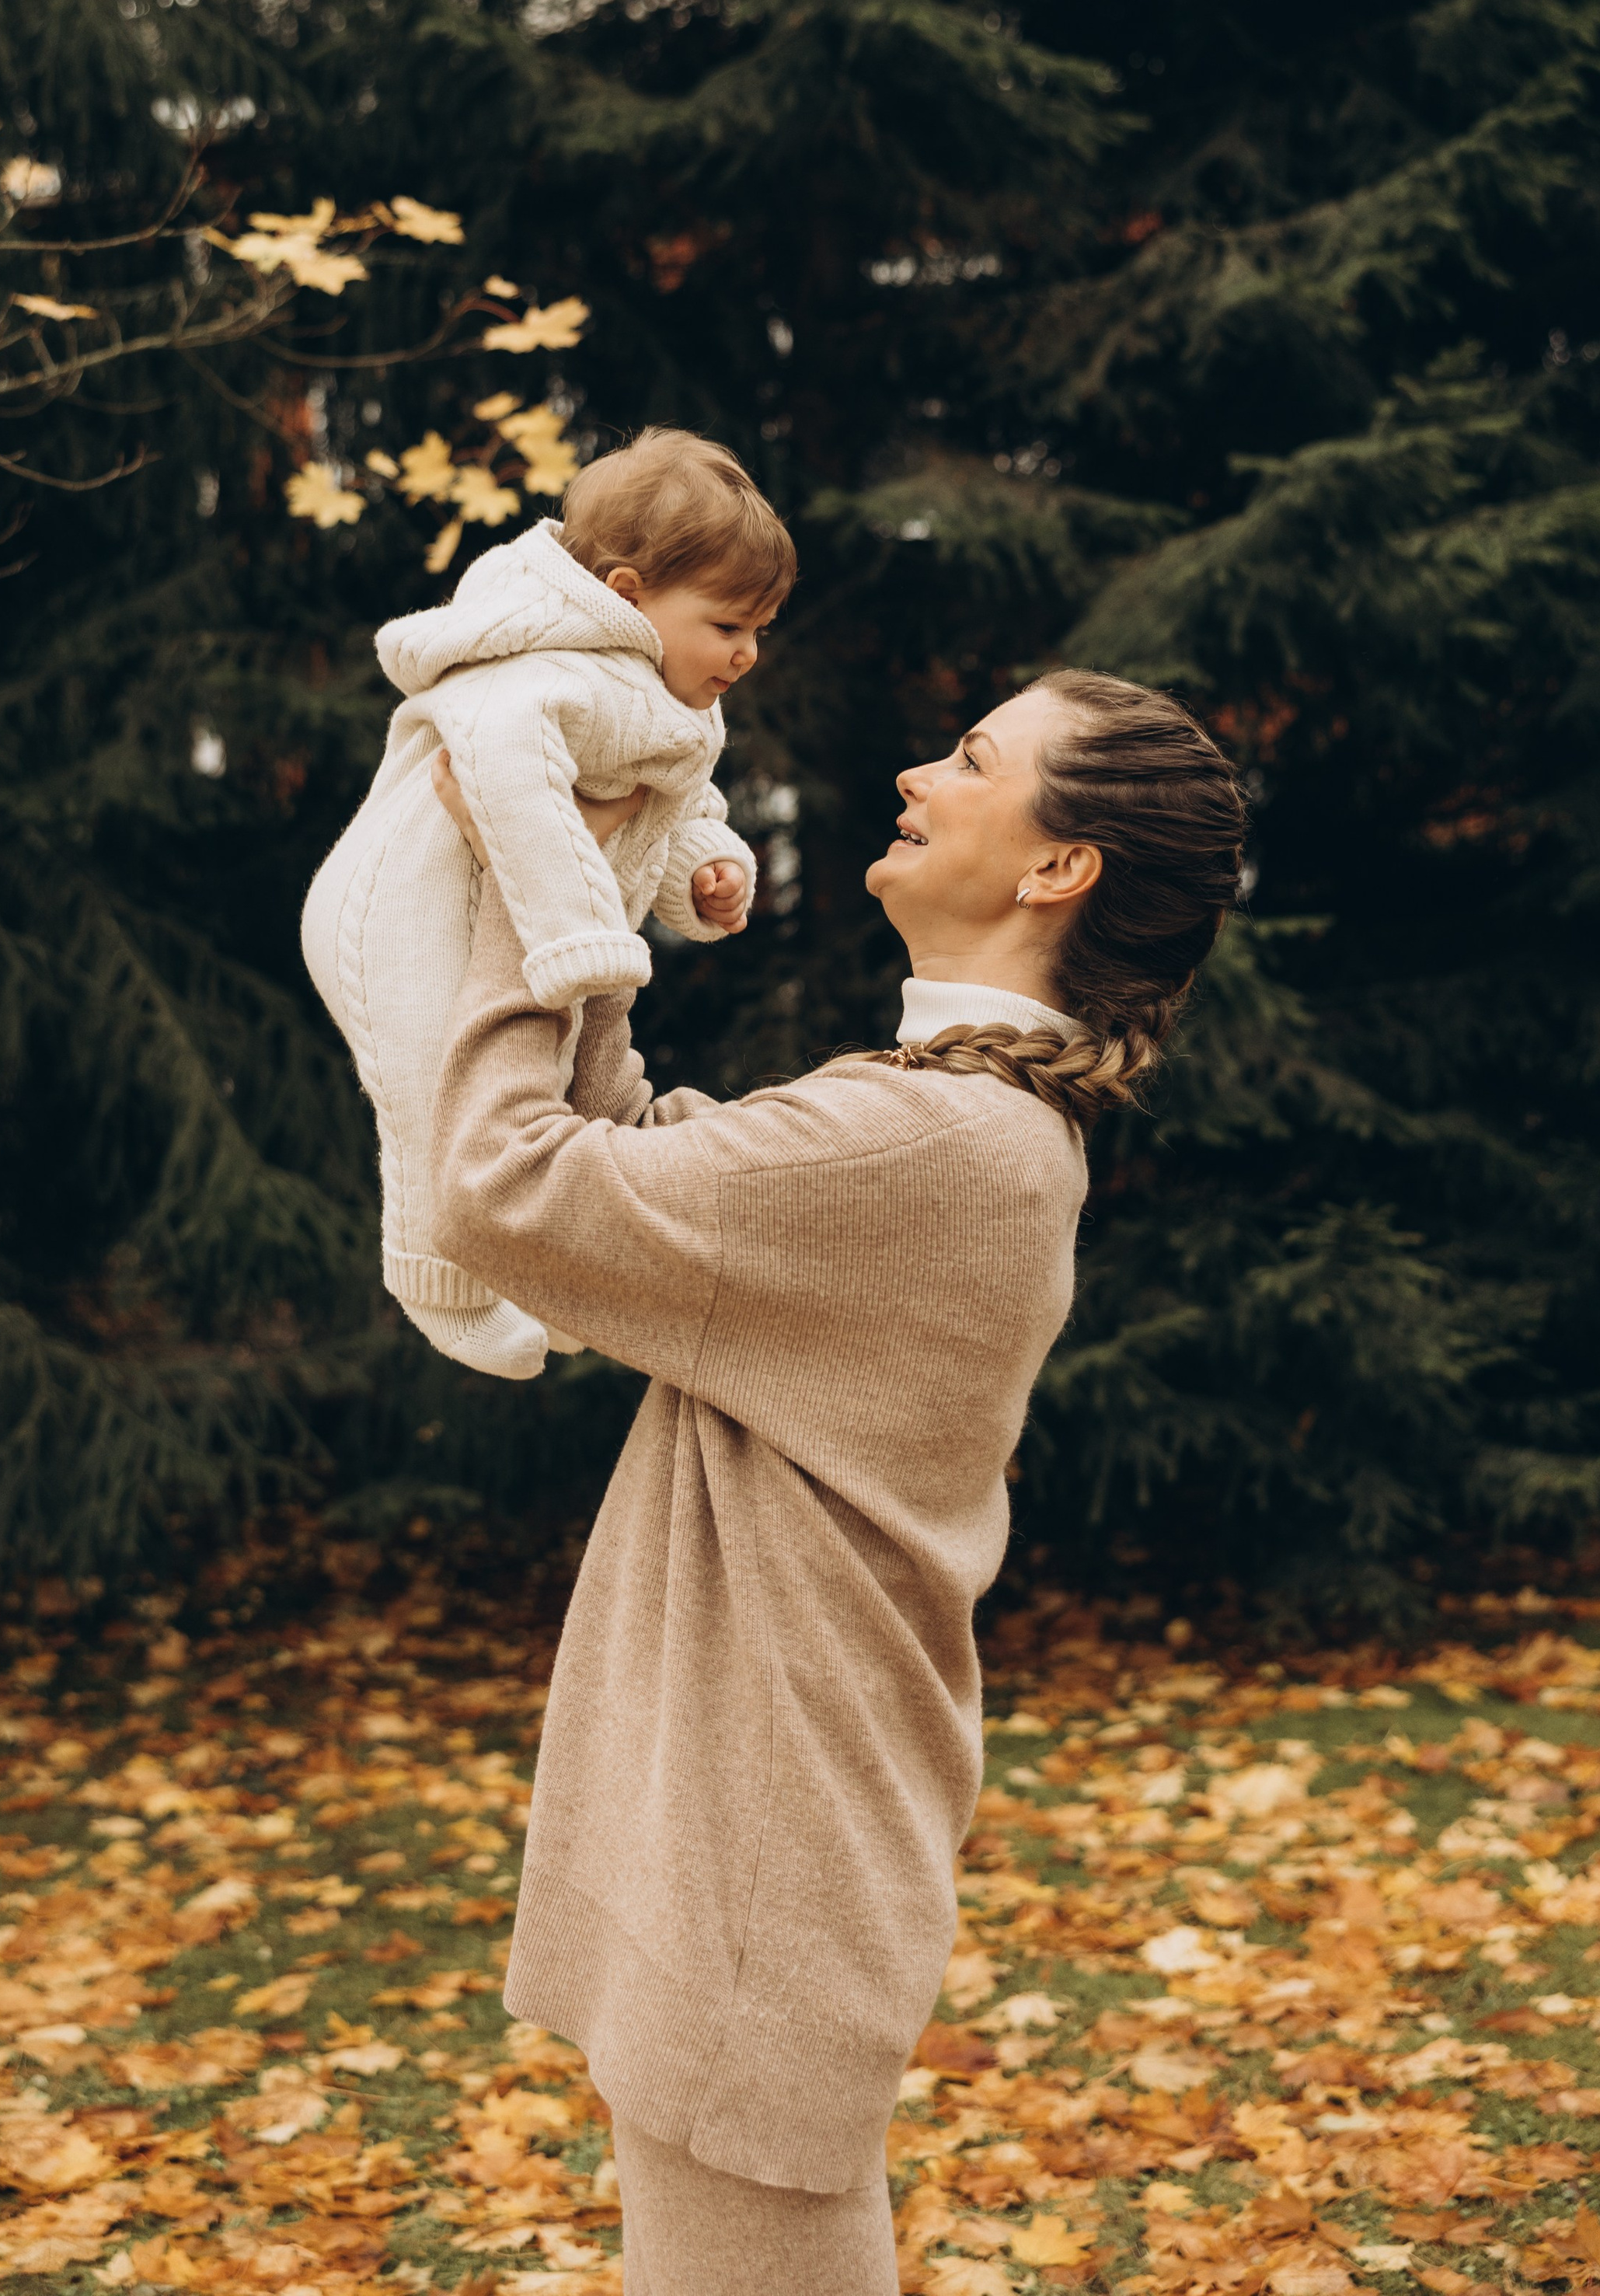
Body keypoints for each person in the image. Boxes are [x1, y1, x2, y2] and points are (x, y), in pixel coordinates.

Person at [427, 669, 1246, 2294]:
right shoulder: (945, 1126)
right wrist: (578, 894)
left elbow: (506, 1188)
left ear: (1053, 868)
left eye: (967, 757)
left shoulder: (929, 1144)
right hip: (769, 1835)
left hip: (765, 1860)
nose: (914, 769)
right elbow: (642, 1186)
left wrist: (532, 897)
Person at [300, 429, 792, 1381]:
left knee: (544, 1090)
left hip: (515, 909)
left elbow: (677, 805)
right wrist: (575, 936)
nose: (748, 653)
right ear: (625, 595)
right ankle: (434, 1283)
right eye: (729, 626)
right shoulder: (547, 671)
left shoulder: (669, 689)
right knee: (428, 1095)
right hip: (400, 911)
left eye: (760, 630)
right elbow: (503, 778)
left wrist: (704, 869)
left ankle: (541, 1272)